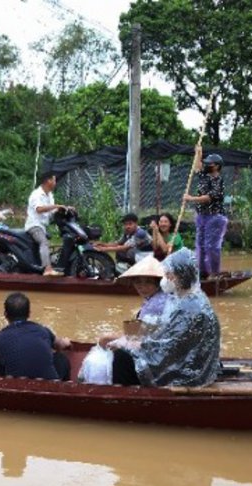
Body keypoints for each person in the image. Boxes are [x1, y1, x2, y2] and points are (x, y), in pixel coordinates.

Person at [99, 248, 221, 387]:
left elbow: (170, 347)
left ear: (180, 276)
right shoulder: (189, 300)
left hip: (187, 374)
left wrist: (133, 345)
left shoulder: (188, 307)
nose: (166, 279)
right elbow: (168, 338)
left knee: (121, 357)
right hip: (189, 365)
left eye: (169, 275)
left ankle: (126, 396)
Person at [0, 292, 72, 380]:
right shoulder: (42, 330)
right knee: (61, 358)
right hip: (49, 385)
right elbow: (60, 345)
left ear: (5, 314)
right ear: (29, 313)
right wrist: (66, 342)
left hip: (16, 387)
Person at [183, 150, 227, 279]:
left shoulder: (217, 180)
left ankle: (214, 273)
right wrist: (199, 153)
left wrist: (190, 198)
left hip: (215, 217)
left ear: (217, 166)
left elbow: (208, 198)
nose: (207, 165)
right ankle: (202, 273)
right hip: (201, 216)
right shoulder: (205, 176)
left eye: (210, 164)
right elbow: (197, 167)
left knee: (211, 246)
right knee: (200, 245)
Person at [25, 171, 70, 276]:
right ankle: (47, 269)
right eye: (54, 180)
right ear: (48, 181)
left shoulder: (49, 195)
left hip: (43, 226)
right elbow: (39, 209)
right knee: (44, 242)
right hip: (34, 226)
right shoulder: (36, 194)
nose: (55, 182)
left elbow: (52, 211)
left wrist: (66, 208)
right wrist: (56, 206)